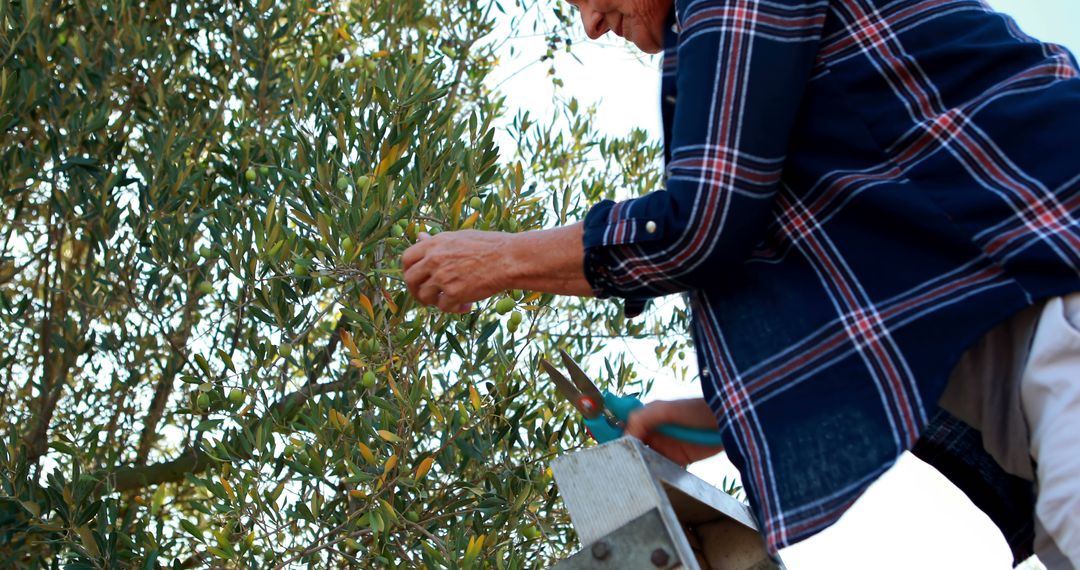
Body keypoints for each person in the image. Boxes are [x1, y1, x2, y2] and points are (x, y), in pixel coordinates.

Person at [402, 0, 1080, 565]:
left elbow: (702, 226)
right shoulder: (785, 95)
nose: (590, 26)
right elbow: (886, 319)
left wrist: (505, 259)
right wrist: (710, 426)